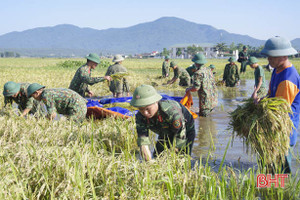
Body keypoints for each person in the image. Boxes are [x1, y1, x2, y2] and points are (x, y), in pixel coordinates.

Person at [259, 36, 299, 173]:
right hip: (275, 128)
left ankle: (279, 192)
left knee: (281, 169)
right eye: (268, 57)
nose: (268, 60)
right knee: (270, 166)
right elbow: (271, 95)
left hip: (284, 131)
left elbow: (280, 110)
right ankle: (265, 191)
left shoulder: (288, 79)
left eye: (271, 57)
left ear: (283, 56)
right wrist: (262, 100)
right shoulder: (277, 70)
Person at [130, 85, 195, 161]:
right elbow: (143, 143)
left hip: (185, 130)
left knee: (182, 158)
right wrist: (149, 163)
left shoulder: (171, 113)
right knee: (158, 155)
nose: (145, 113)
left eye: (148, 109)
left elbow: (180, 140)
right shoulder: (140, 117)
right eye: (141, 109)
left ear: (156, 102)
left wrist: (172, 158)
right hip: (164, 130)